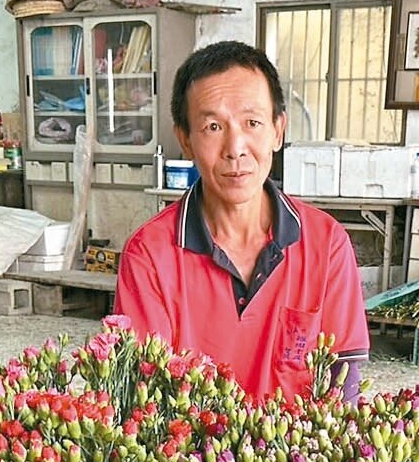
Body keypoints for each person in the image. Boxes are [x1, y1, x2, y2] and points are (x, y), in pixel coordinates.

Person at [115, 40, 368, 402]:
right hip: (191, 439)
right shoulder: (149, 255)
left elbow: (344, 386)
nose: (235, 148)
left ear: (278, 130)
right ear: (185, 140)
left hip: (299, 440)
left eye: (252, 123)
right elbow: (144, 398)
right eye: (213, 127)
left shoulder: (326, 244)